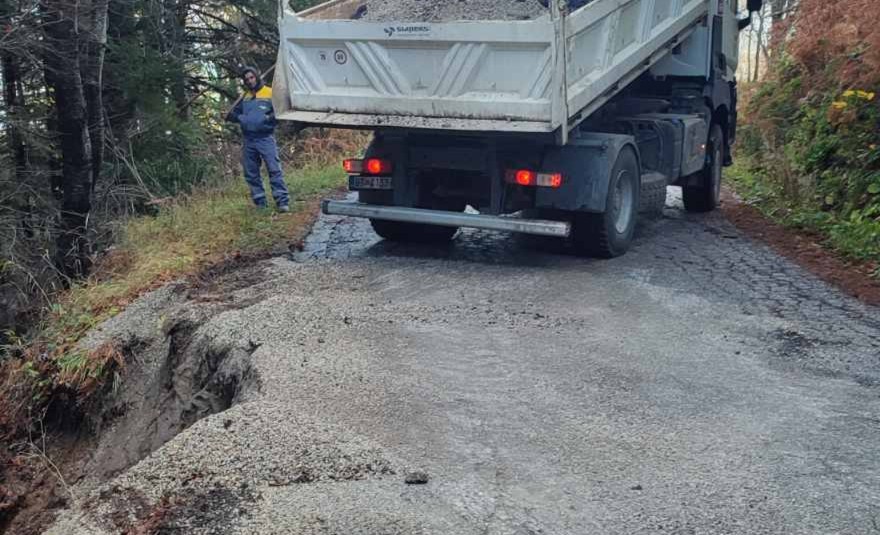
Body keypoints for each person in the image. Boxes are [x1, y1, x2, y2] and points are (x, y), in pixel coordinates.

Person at [225, 66, 291, 212]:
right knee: (251, 172)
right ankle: (260, 203)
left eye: (251, 77)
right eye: (246, 79)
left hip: (265, 138)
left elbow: (280, 112)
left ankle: (282, 201)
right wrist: (232, 116)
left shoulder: (269, 92)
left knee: (274, 169)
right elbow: (235, 114)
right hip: (249, 140)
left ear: (257, 76)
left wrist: (268, 119)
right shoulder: (245, 97)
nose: (249, 81)